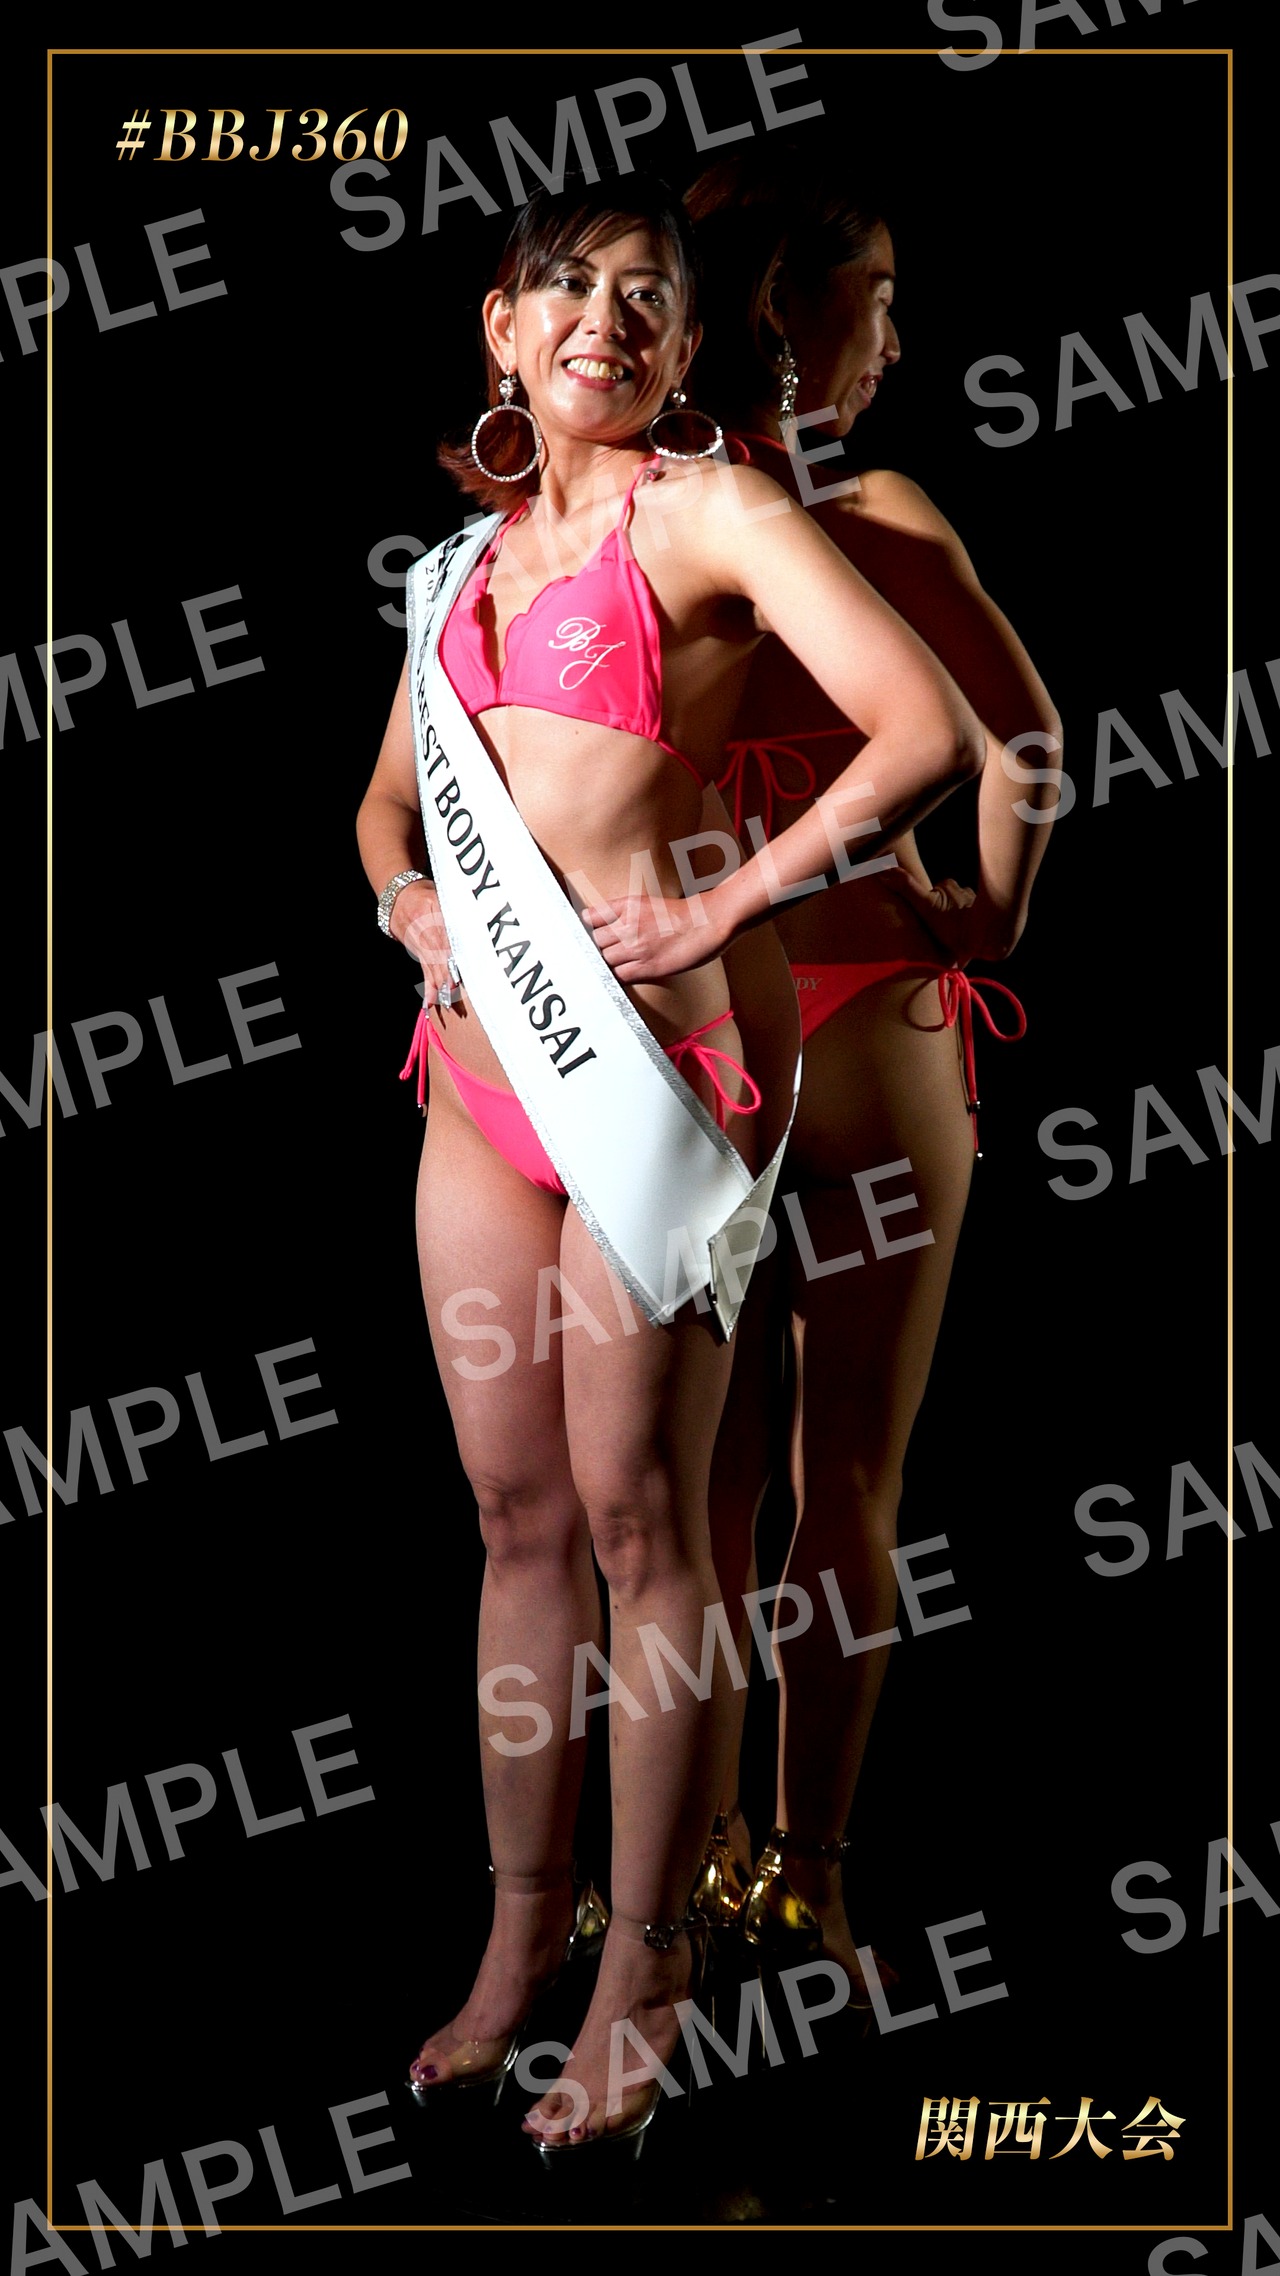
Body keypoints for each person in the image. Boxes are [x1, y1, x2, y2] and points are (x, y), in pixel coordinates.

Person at [356, 172, 985, 2153]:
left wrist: (731, 904)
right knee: (515, 1520)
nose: (606, 322)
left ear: (690, 345)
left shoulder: (709, 514)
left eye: (650, 298)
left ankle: (649, 1974)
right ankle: (513, 1947)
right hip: (478, 1091)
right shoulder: (460, 565)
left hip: (653, 1075)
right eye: (569, 287)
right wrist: (410, 909)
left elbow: (922, 726)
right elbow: (382, 810)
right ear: (502, 326)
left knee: (647, 1526)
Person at [674, 151, 1064, 2003]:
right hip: (878, 1025)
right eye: (878, 299)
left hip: (700, 1029)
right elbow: (1029, 741)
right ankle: (808, 1882)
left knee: (696, 1494)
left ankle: (683, 1876)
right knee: (849, 1478)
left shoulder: (647, 519)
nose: (896, 341)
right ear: (786, 308)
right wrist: (986, 915)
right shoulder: (874, 509)